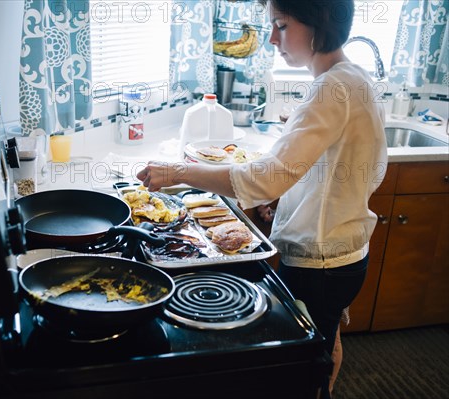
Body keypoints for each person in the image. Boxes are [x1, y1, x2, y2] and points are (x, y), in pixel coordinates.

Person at [137, 0, 387, 397]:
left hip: (318, 263)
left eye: (282, 25)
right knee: (323, 346)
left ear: (318, 24)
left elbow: (267, 177)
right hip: (345, 254)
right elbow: (331, 172)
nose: (272, 38)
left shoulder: (331, 88)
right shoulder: (353, 77)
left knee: (301, 367)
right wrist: (282, 200)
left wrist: (178, 172)